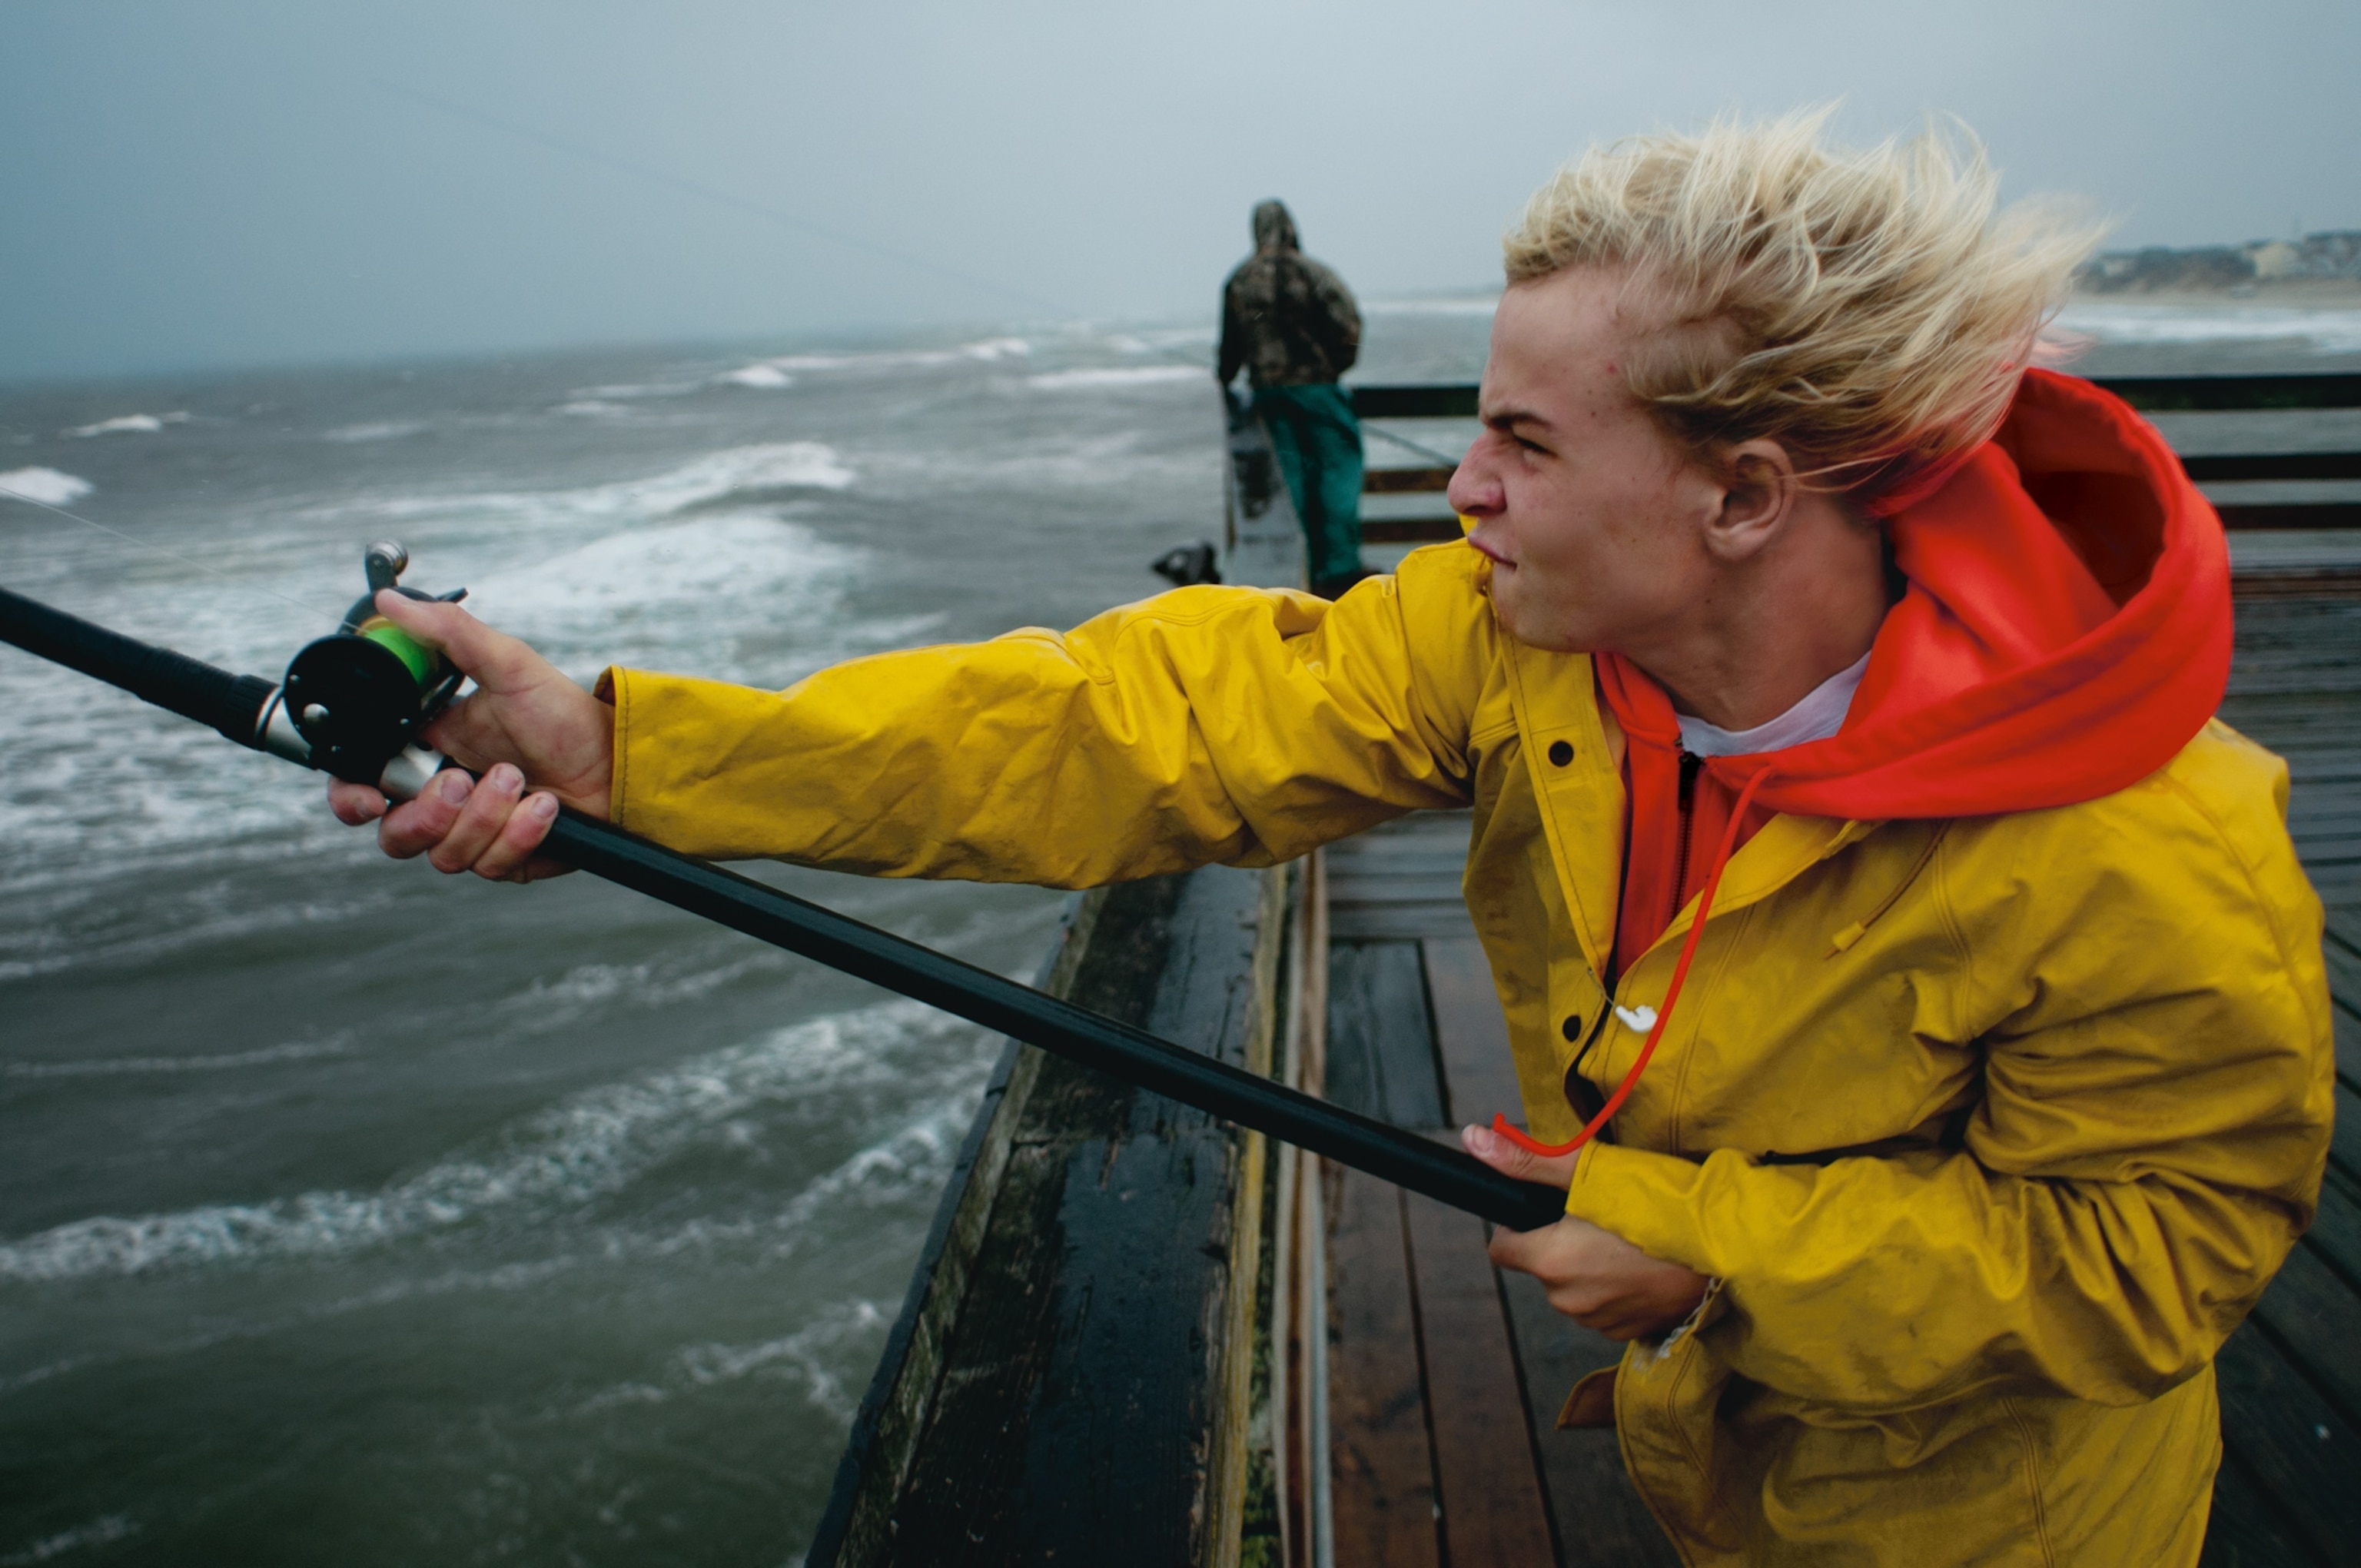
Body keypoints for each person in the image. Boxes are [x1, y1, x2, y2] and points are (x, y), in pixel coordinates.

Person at [327, 112, 2330, 1565]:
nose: (1454, 491)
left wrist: (1713, 1249)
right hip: (1700, 1465)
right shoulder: (1517, 638)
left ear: (1744, 495)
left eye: (1528, 446)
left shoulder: (2144, 839)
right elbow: (1128, 728)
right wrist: (615, 743)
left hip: (1990, 1526)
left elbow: (2155, 1252)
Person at [1217, 199, 1368, 597]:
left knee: (1290, 482)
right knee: (1337, 475)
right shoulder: (1313, 273)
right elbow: (1348, 324)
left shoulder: (1240, 281)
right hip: (1318, 389)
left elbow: (1229, 352)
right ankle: (1338, 571)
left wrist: (1231, 378)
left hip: (1267, 396)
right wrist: (1334, 366)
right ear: (1291, 227)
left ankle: (1300, 575)